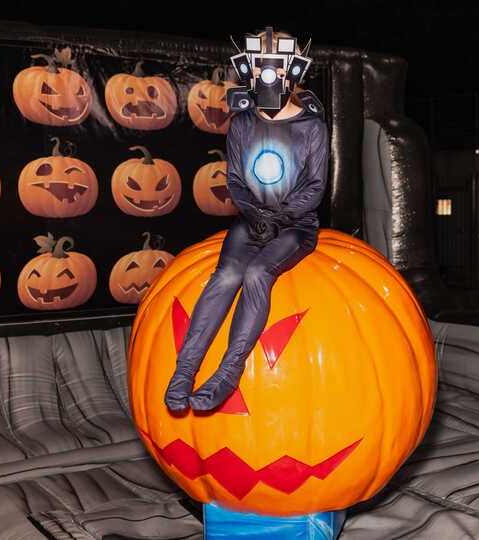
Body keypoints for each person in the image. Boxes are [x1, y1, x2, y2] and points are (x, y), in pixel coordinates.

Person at [164, 27, 328, 412]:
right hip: (251, 221)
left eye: (277, 65)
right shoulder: (242, 123)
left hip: (295, 227)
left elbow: (315, 187)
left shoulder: (312, 127)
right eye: (259, 66)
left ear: (294, 70)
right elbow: (235, 179)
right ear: (248, 70)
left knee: (256, 273)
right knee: (225, 276)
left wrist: (282, 216)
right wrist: (254, 214)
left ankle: (228, 372)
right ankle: (183, 372)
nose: (267, 74)